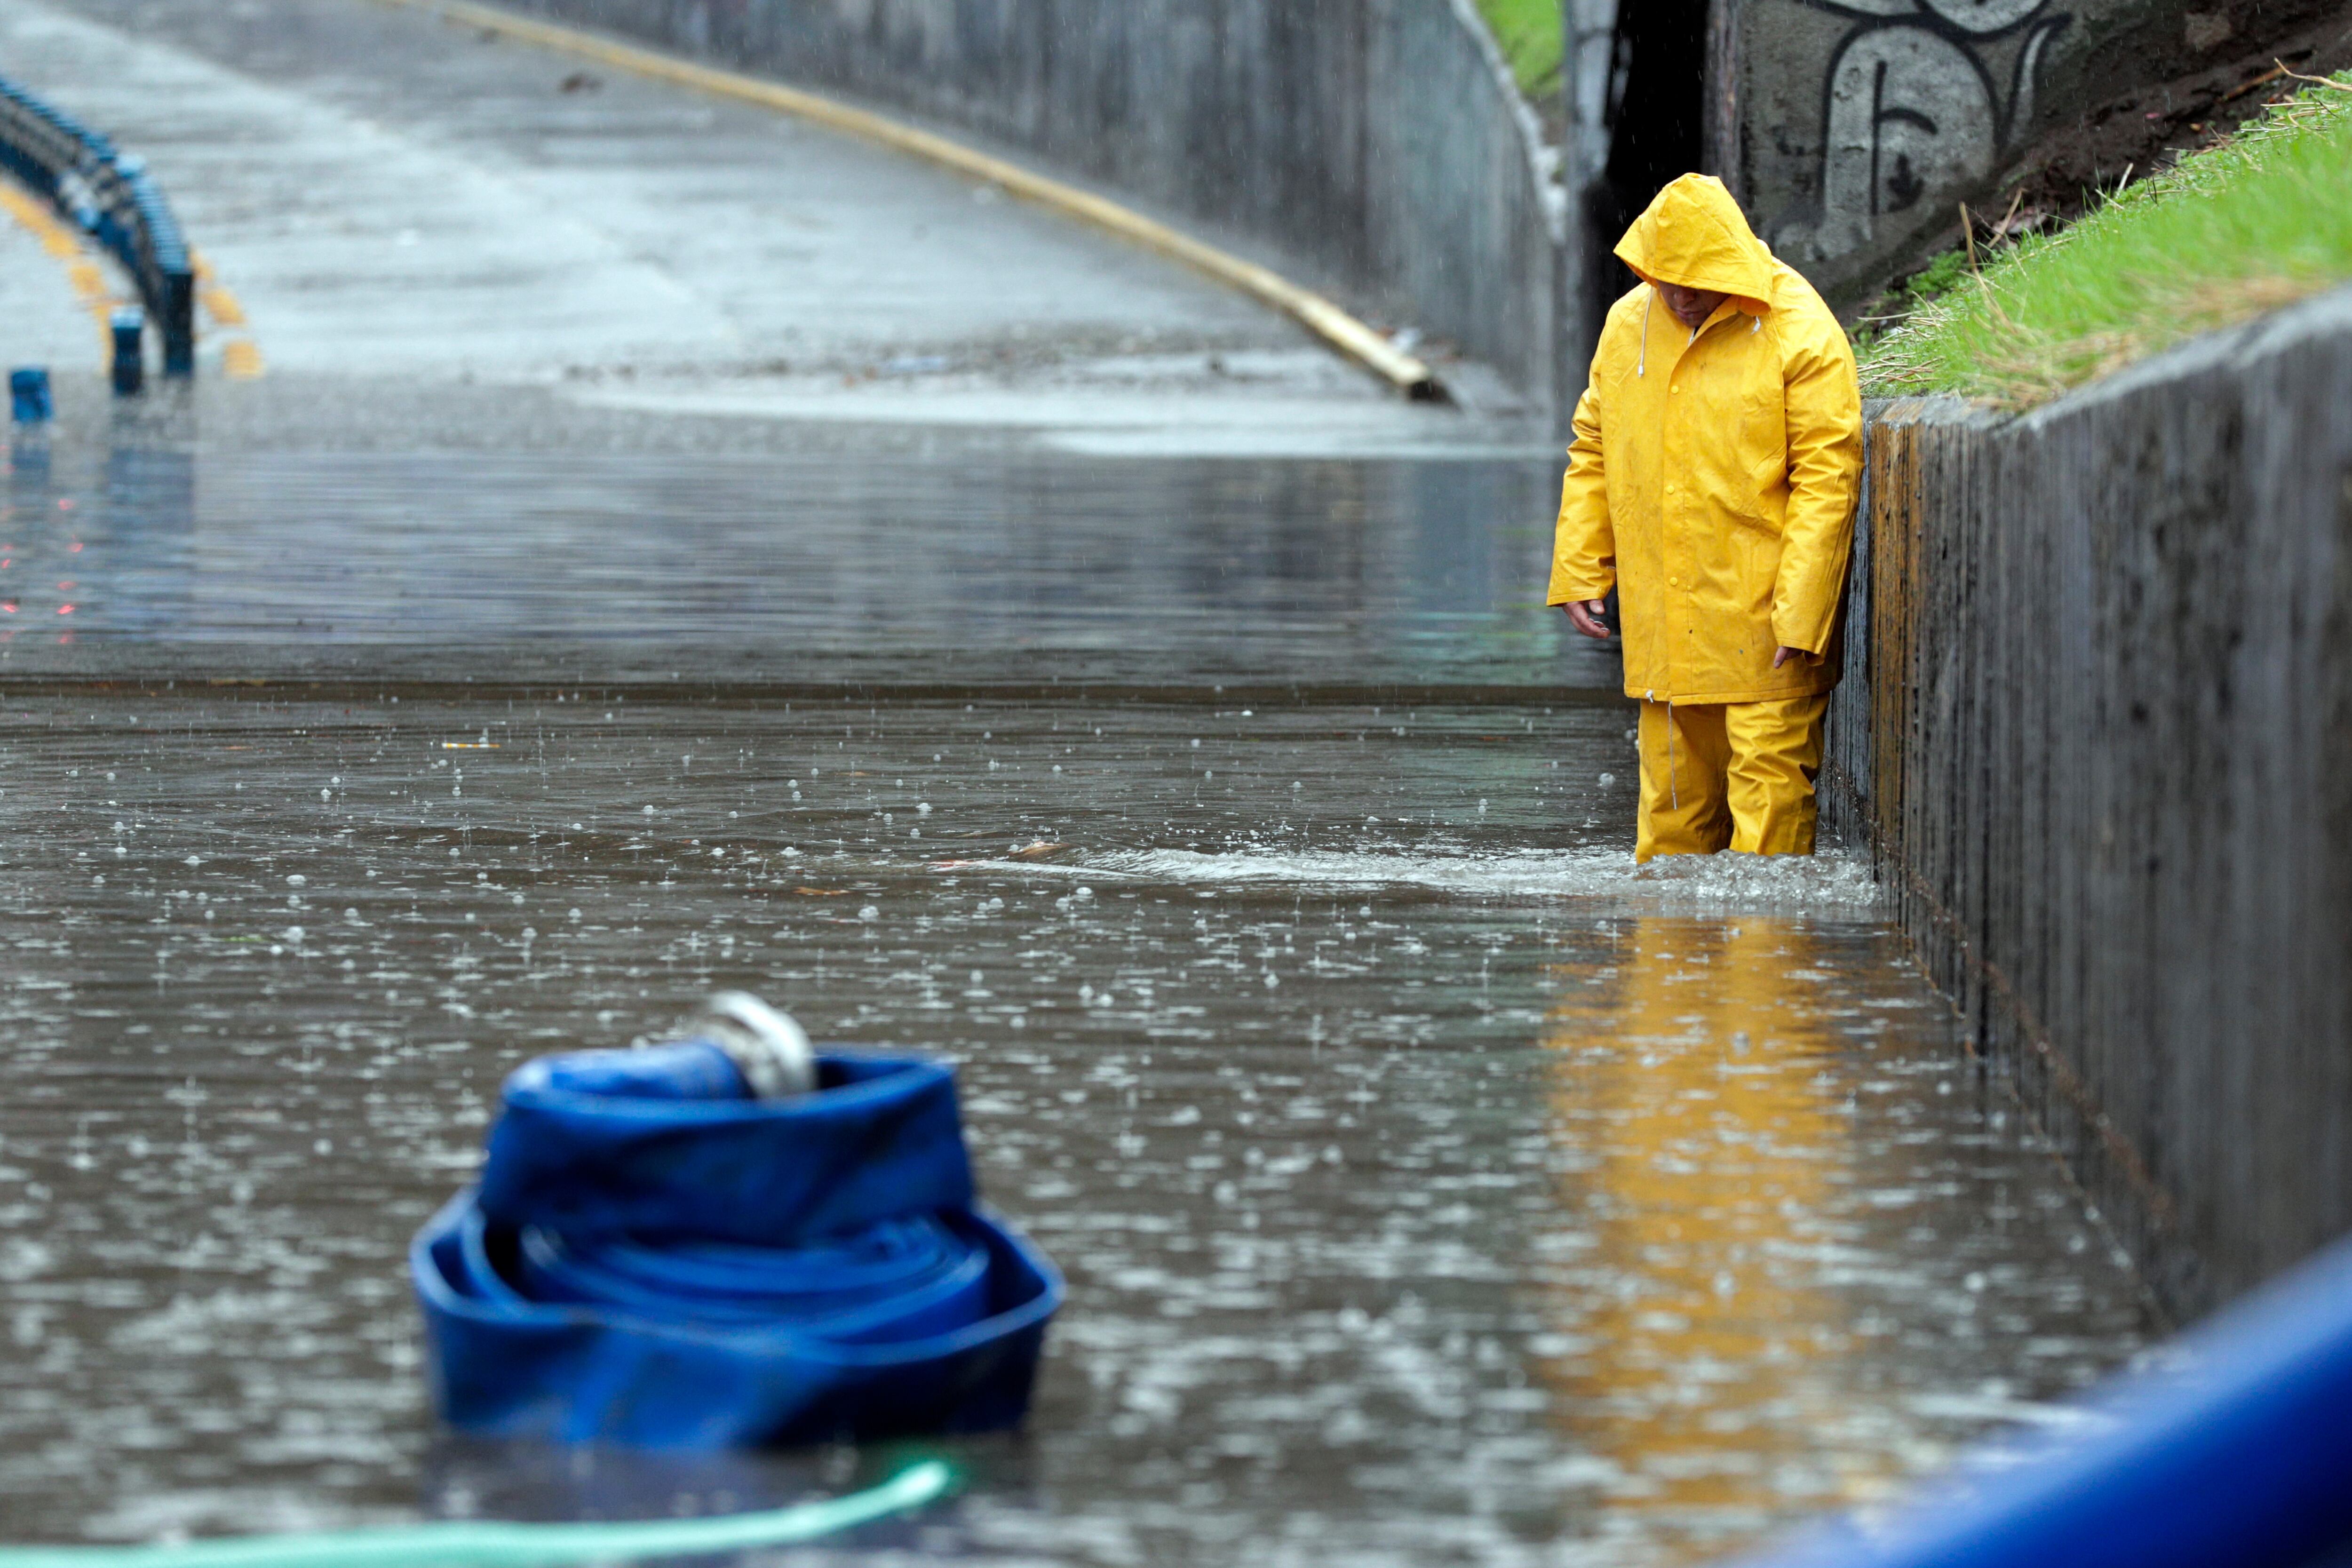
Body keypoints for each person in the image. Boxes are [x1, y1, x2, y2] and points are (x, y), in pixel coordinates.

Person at [1549, 173, 1862, 863]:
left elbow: (1828, 475)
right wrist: (1580, 565)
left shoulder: (1800, 330)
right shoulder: (1630, 324)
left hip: (1769, 631)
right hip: (1669, 631)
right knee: (1669, 837)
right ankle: (1670, 967)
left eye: (1697, 279)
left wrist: (1803, 611)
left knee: (1769, 829)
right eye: (1665, 279)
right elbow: (1595, 444)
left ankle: (1764, 966)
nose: (1681, 295)